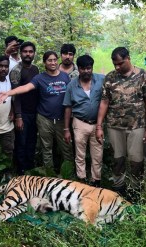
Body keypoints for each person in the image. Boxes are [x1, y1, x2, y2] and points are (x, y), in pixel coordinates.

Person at [0, 51, 73, 173]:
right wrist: (8, 93)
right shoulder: (39, 78)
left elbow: (72, 95)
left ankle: (69, 175)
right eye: (49, 60)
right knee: (46, 148)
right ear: (44, 63)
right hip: (44, 119)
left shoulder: (65, 77)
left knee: (66, 148)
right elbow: (25, 87)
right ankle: (49, 175)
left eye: (54, 60)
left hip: (62, 119)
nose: (52, 63)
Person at [96, 47, 146, 194]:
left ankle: (136, 190)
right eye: (114, 64)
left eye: (120, 63)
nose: (117, 67)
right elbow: (104, 102)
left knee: (136, 160)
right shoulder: (110, 77)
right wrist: (98, 126)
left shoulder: (143, 75)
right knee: (117, 159)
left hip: (137, 125)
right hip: (114, 125)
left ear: (128, 58)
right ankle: (118, 188)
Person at [63, 55, 104, 186]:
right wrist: (66, 129)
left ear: (92, 68)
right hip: (79, 122)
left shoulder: (101, 80)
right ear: (78, 69)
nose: (86, 71)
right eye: (83, 69)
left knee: (97, 154)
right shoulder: (72, 85)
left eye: (89, 68)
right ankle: (81, 180)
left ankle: (96, 180)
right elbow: (68, 107)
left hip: (97, 124)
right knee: (79, 154)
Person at [9, 41, 40, 174]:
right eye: (25, 51)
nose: (28, 54)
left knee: (32, 141)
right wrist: (18, 116)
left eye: (30, 52)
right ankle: (20, 170)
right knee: (21, 142)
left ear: (34, 53)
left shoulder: (35, 69)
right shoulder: (16, 70)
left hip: (35, 112)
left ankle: (30, 168)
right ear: (21, 53)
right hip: (23, 113)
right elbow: (15, 95)